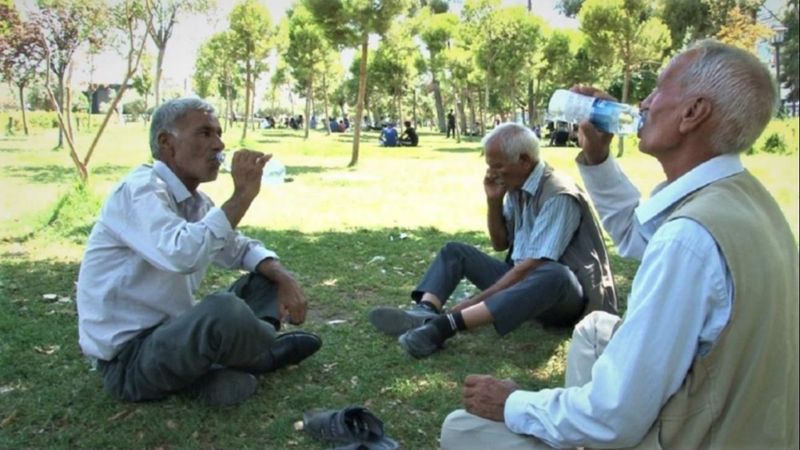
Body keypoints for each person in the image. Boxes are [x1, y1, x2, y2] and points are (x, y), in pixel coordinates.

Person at [439, 40, 798, 450]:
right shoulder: (745, 199)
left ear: (693, 112)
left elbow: (614, 418)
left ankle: (575, 436)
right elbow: (636, 232)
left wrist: (514, 402)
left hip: (700, 437)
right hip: (749, 422)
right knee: (595, 329)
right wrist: (597, 156)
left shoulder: (689, 240)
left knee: (460, 428)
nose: (643, 102)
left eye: (660, 89)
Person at [76, 98, 322, 407]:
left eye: (219, 133)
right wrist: (242, 196)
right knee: (224, 311)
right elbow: (182, 254)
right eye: (205, 133)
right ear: (167, 144)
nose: (219, 145)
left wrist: (283, 277)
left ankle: (223, 366)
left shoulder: (194, 201)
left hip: (175, 335)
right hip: (130, 360)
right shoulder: (140, 191)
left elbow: (238, 247)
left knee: (264, 278)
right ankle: (262, 355)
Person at [369, 122, 617, 358]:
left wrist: (475, 301)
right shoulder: (517, 185)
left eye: (497, 165)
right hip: (520, 280)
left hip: (560, 296)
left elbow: (535, 265)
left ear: (524, 160)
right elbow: (500, 244)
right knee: (455, 251)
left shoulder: (558, 193)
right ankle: (424, 313)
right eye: (489, 165)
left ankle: (444, 326)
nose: (491, 172)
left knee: (554, 273)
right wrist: (494, 200)